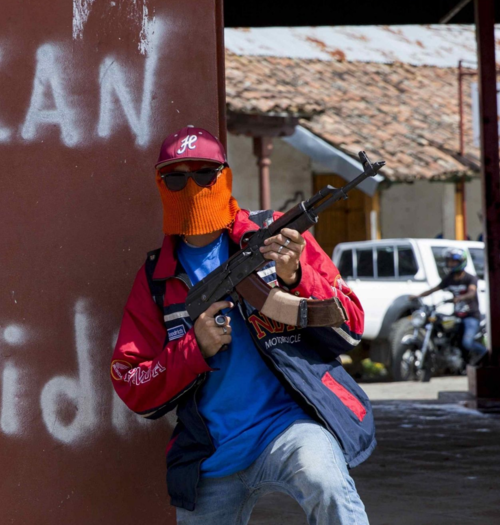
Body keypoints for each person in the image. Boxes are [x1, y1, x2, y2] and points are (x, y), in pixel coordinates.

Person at [111, 126, 373, 525]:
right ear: (161, 184)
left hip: (290, 424)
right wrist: (194, 349)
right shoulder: (156, 279)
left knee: (326, 485)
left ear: (225, 177)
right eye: (176, 178)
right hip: (211, 453)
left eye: (204, 174)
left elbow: (352, 323)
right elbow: (131, 381)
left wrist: (296, 276)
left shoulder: (274, 236)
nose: (192, 187)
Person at [410, 247, 487, 364]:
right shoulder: (449, 278)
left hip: (471, 316)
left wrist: (460, 297)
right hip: (456, 316)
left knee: (467, 343)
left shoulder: (470, 278)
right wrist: (418, 296)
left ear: (461, 262)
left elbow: (472, 293)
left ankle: (487, 354)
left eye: (453, 261)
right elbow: (433, 289)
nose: (450, 264)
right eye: (449, 261)